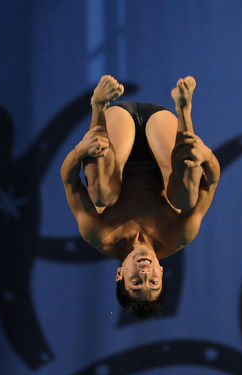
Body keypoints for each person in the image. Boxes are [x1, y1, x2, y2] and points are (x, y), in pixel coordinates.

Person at [60, 75, 220, 318]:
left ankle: (98, 106)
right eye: (153, 283)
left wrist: (80, 150)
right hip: (162, 132)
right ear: (161, 272)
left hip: (116, 133)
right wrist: (206, 155)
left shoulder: (101, 235)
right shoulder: (178, 235)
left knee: (102, 196)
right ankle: (184, 111)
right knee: (187, 199)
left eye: (136, 283)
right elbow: (212, 181)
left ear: (120, 275)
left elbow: (69, 181)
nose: (145, 274)